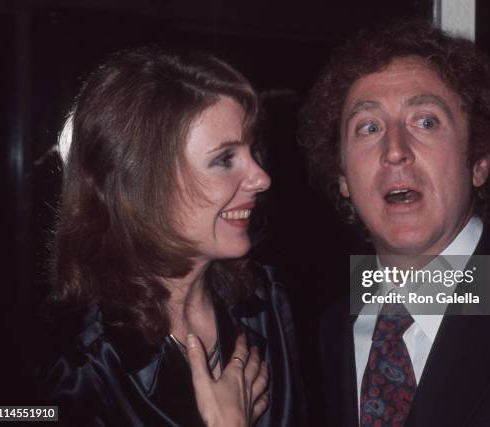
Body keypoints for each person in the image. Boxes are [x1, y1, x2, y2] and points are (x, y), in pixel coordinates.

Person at [299, 21, 490, 426]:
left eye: (425, 121)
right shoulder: (335, 326)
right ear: (343, 178)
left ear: (478, 160)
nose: (394, 151)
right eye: (368, 127)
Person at [37, 47, 302, 426]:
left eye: (252, 150)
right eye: (225, 159)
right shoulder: (80, 360)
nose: (262, 178)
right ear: (147, 184)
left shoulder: (267, 301)